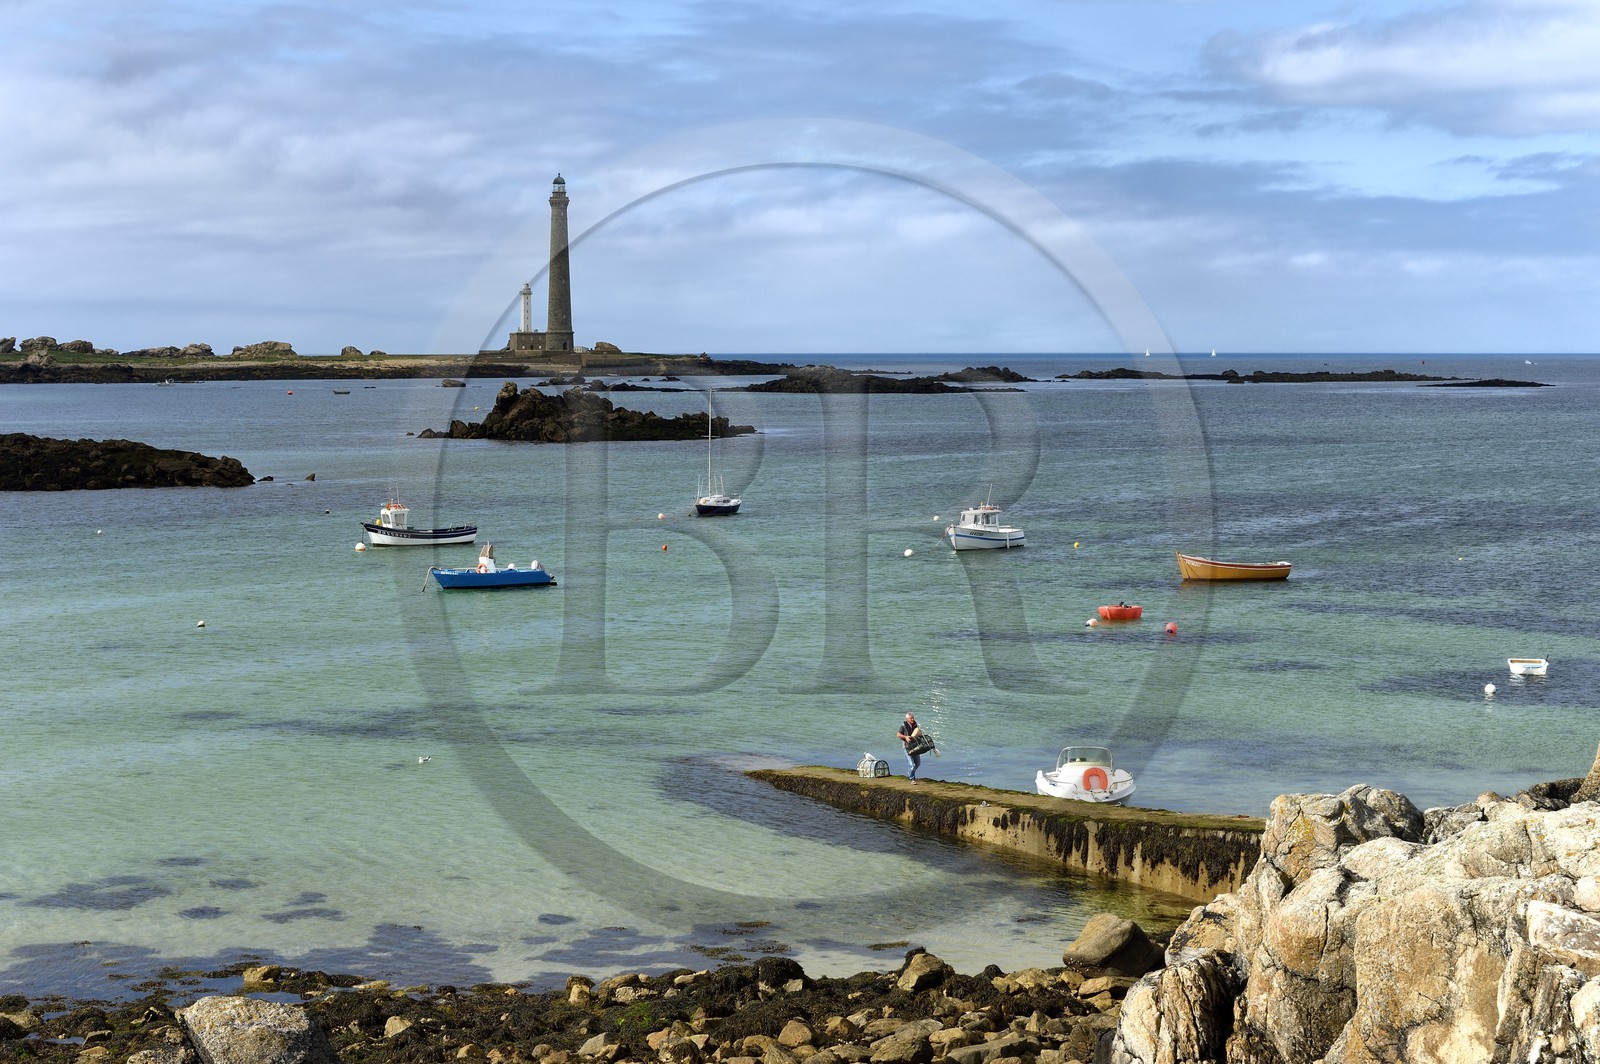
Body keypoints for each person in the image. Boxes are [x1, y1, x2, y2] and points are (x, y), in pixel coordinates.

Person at [897, 712, 923, 782]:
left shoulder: (915, 725)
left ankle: (910, 773)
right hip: (907, 747)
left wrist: (919, 734)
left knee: (918, 763)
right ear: (907, 719)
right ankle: (912, 778)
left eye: (913, 718)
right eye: (911, 718)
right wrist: (905, 737)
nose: (912, 719)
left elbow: (919, 733)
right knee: (911, 764)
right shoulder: (903, 726)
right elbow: (898, 734)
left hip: (915, 746)